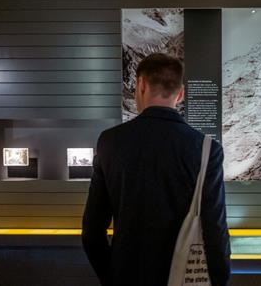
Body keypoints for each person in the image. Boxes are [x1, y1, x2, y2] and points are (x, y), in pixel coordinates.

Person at [82, 53, 231, 286]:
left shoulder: (110, 142)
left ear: (140, 84)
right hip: (181, 277)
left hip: (126, 275)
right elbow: (215, 230)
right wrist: (219, 279)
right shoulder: (206, 149)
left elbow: (92, 232)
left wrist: (111, 277)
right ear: (180, 94)